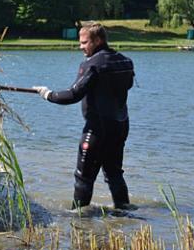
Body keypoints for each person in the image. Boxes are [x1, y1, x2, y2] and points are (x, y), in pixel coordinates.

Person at [33, 22, 135, 210]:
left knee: (83, 177)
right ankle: (124, 212)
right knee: (114, 174)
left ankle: (79, 219)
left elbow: (74, 94)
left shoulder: (92, 64)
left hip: (97, 129)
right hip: (120, 126)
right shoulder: (125, 61)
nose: (80, 47)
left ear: (98, 40)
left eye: (84, 42)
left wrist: (48, 94)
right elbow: (126, 86)